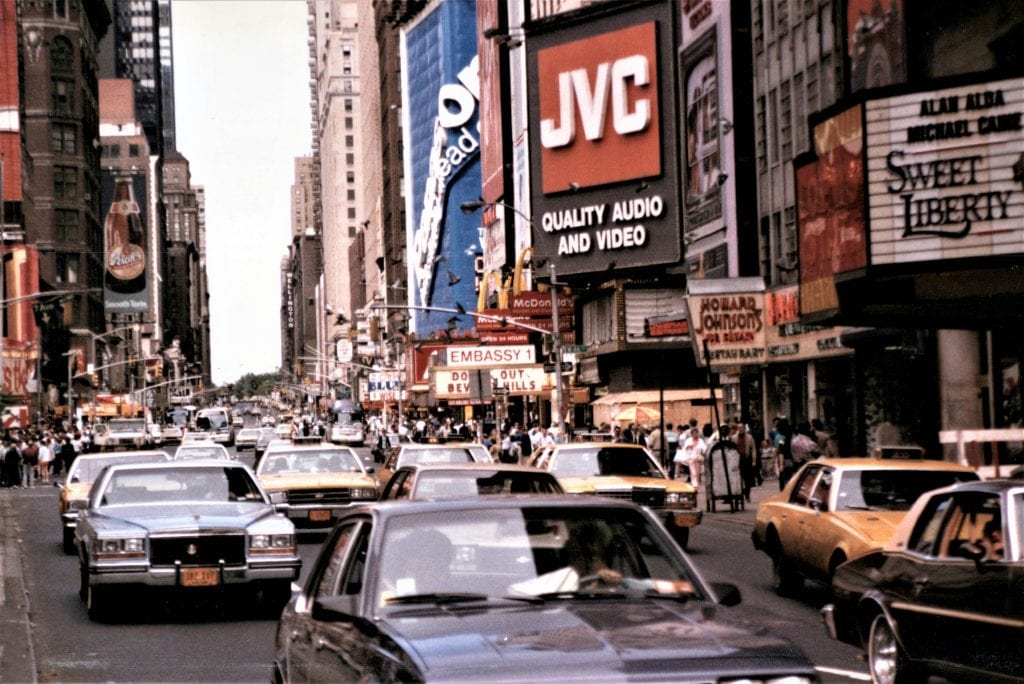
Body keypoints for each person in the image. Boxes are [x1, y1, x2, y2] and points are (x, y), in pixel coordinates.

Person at [734, 422, 757, 502]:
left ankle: (747, 494)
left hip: (746, 460)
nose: (740, 429)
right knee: (738, 479)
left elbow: (753, 449)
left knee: (748, 480)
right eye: (739, 427)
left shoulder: (749, 438)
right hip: (737, 461)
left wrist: (754, 460)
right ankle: (739, 495)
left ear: (744, 428)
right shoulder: (734, 438)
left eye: (742, 427)